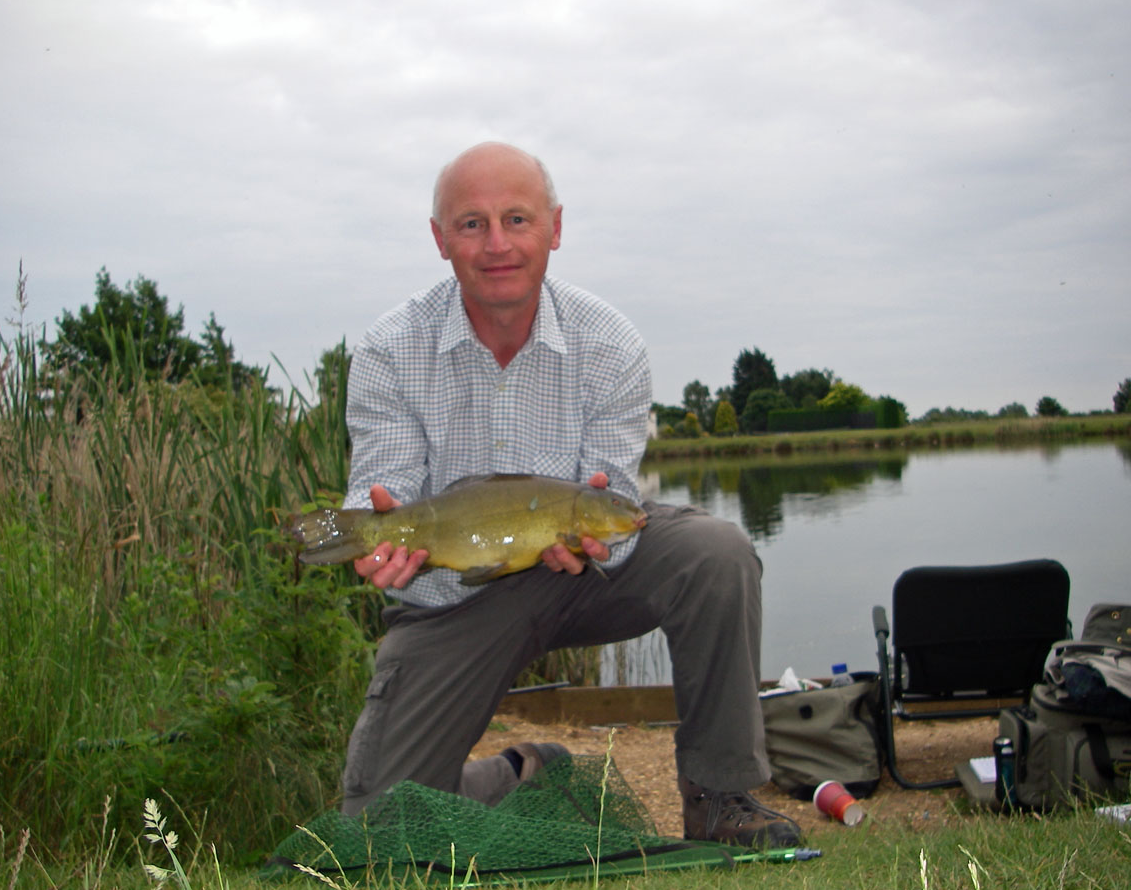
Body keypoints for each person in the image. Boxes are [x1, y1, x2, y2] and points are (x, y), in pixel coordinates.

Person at [336, 141, 800, 848]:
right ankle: (520, 775)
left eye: (517, 220)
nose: (497, 244)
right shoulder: (388, 349)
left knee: (716, 551)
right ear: (439, 240)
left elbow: (614, 500)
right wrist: (381, 535)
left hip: (581, 574)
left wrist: (596, 531)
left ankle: (719, 795)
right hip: (450, 595)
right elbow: (389, 487)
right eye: (472, 224)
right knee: (382, 835)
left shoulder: (610, 341)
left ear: (555, 228)